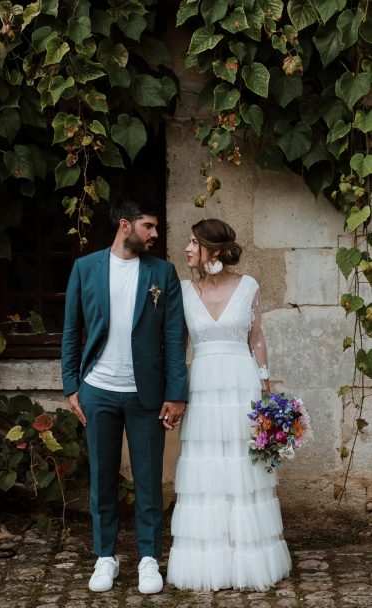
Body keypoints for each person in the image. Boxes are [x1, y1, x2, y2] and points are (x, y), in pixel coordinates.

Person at [61, 198, 188, 594]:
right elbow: (71, 330)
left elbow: (173, 337)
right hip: (98, 391)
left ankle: (149, 558)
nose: (154, 234)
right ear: (124, 226)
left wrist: (176, 393)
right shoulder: (86, 268)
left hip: (145, 394)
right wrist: (71, 385)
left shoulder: (162, 273)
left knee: (149, 480)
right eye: (147, 226)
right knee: (101, 479)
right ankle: (105, 556)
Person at [167, 218, 291, 591]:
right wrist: (174, 393)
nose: (187, 249)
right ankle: (208, 560)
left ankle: (247, 559)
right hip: (203, 385)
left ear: (214, 251)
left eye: (194, 243)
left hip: (242, 385)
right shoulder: (184, 291)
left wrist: (265, 387)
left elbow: (256, 338)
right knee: (206, 473)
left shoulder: (248, 286)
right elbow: (178, 345)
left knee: (242, 470)